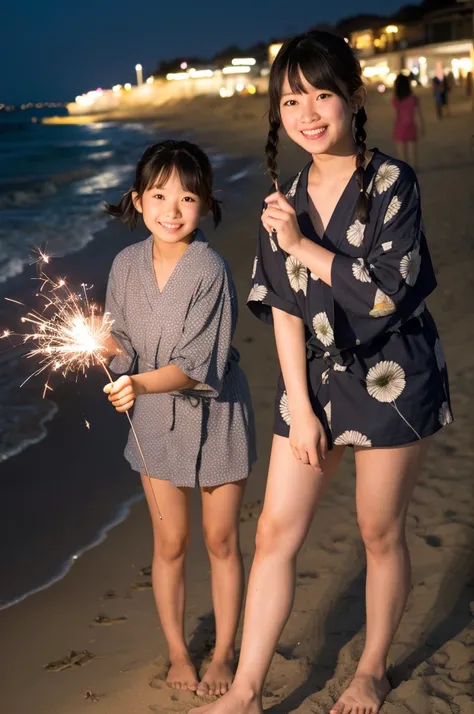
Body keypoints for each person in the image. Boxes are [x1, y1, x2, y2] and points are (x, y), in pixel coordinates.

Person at [190, 31, 452, 714]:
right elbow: (281, 308)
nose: (307, 112)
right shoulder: (285, 198)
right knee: (275, 532)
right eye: (291, 99)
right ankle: (246, 691)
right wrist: (299, 408)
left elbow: (391, 290)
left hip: (394, 375)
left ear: (353, 99)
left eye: (322, 94)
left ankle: (370, 670)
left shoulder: (394, 182)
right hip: (314, 379)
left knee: (378, 530)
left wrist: (303, 244)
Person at [102, 140, 256, 696]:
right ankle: (176, 651)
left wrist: (136, 383)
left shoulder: (210, 270)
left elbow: (197, 366)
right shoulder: (124, 265)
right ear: (138, 201)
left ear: (205, 204)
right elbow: (121, 346)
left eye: (187, 198)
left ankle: (222, 653)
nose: (172, 210)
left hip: (216, 417)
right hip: (154, 425)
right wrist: (106, 353)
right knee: (169, 544)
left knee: (220, 541)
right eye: (159, 195)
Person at [392, 73, 424, 169]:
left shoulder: (396, 100)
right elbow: (418, 115)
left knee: (401, 156)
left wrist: (394, 128)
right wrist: (421, 127)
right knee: (412, 153)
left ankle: (404, 173)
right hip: (411, 126)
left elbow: (395, 116)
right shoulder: (413, 99)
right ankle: (413, 170)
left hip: (400, 127)